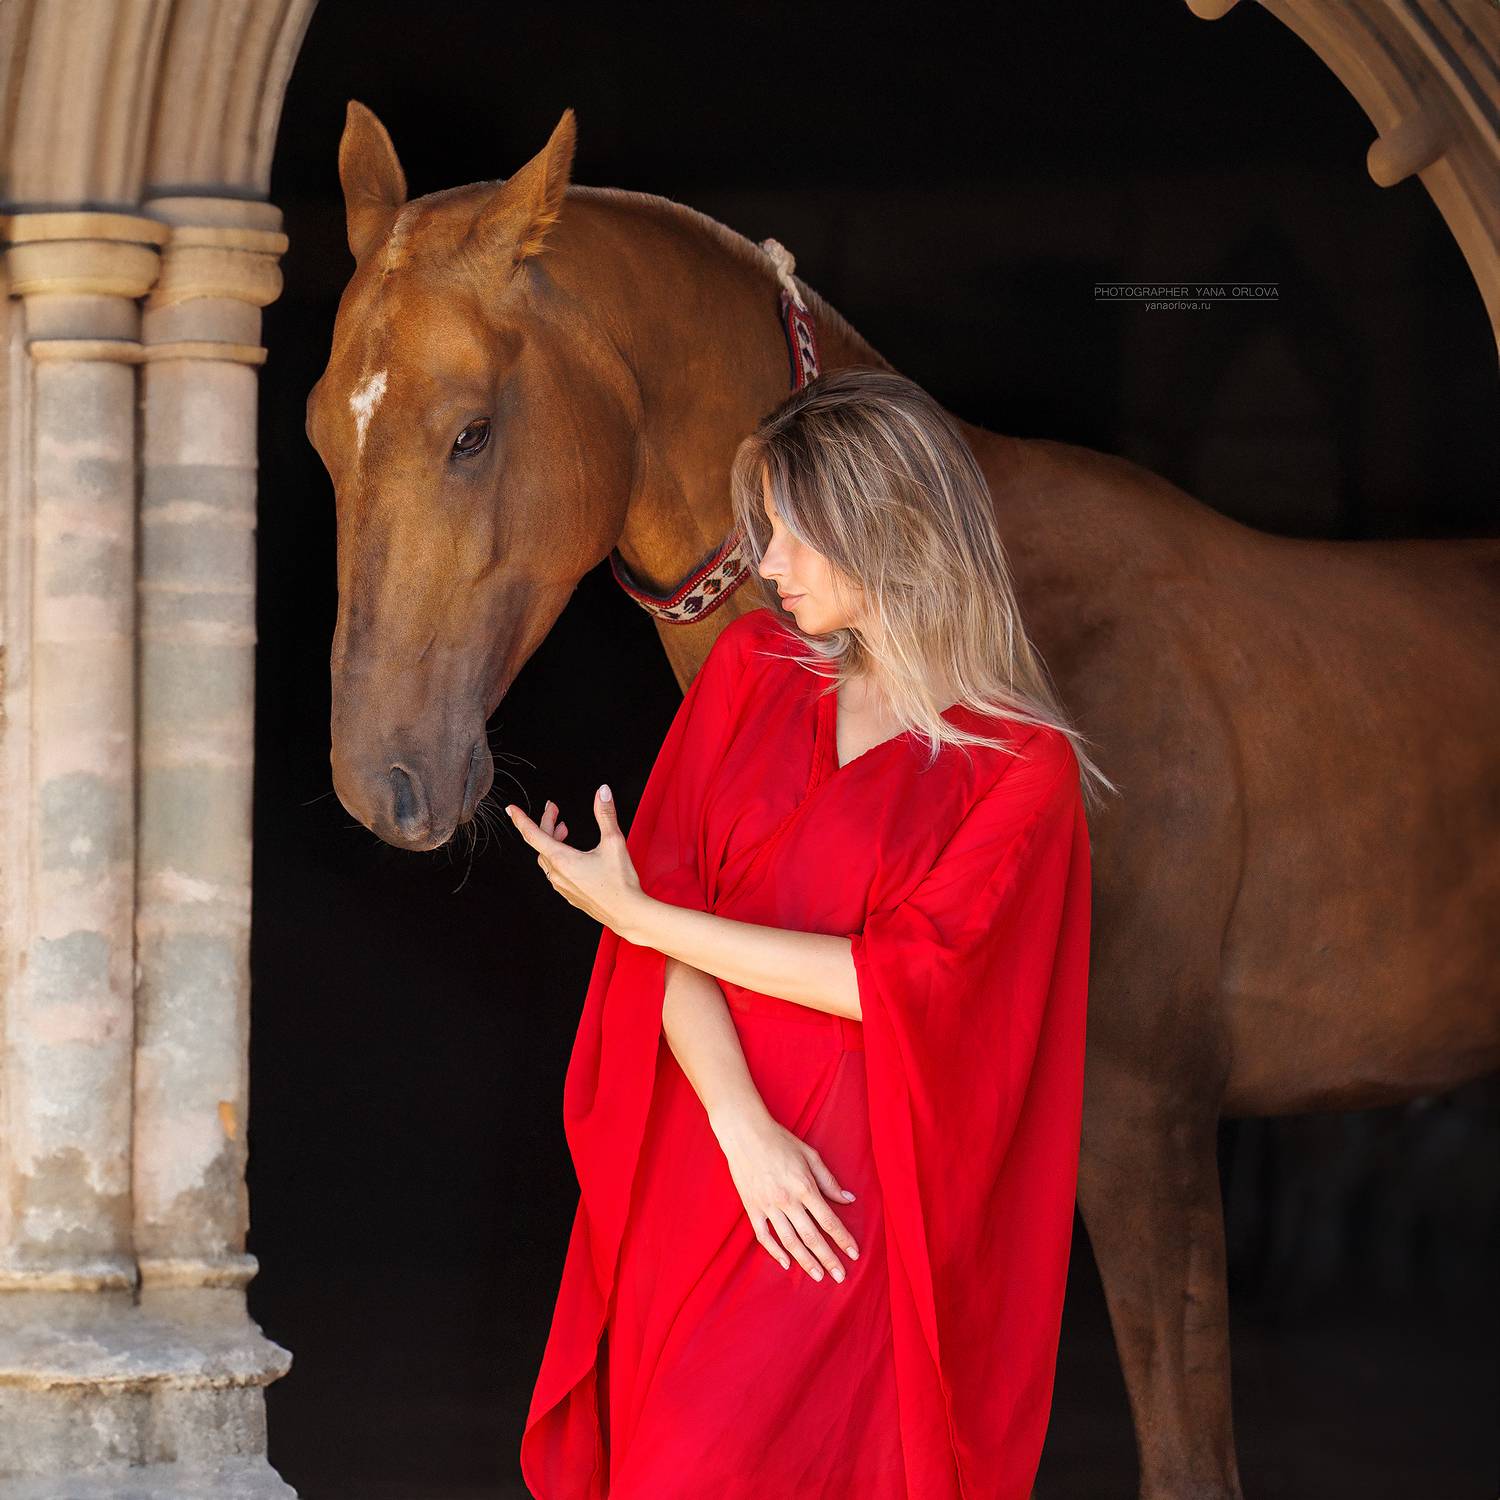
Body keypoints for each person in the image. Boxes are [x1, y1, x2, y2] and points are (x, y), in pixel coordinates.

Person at [509, 367, 1110, 1499]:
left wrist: (633, 908)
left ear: (884, 528)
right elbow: (660, 946)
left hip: (847, 1206)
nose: (767, 565)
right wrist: (742, 1131)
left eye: (791, 534)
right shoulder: (747, 675)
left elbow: (899, 984)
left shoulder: (1023, 769)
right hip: (712, 1163)